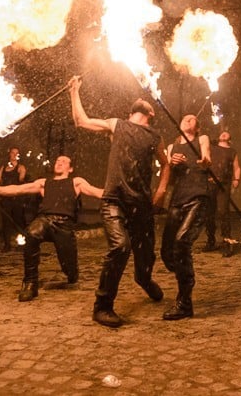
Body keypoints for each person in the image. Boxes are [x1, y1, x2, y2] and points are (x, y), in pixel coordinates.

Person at [68, 76, 171, 328]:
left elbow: (166, 165)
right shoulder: (117, 125)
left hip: (143, 204)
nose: (143, 100)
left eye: (147, 102)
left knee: (145, 255)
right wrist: (74, 92)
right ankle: (102, 306)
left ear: (152, 113)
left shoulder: (155, 136)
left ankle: (144, 279)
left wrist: (160, 192)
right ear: (132, 111)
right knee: (120, 247)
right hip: (114, 200)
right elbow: (81, 121)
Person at [0, 155, 104, 301]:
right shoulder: (43, 183)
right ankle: (30, 283)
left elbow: (97, 192)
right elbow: (17, 189)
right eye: (57, 160)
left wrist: (124, 193)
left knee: (69, 267)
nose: (59, 163)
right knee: (31, 233)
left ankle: (72, 274)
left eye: (64, 162)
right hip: (44, 220)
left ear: (70, 169)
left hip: (64, 224)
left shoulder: (76, 182)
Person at [153, 114, 211, 320]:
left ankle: (184, 302)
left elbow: (206, 158)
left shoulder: (201, 140)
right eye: (185, 118)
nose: (188, 120)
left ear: (197, 127)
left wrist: (204, 161)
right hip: (177, 200)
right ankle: (183, 273)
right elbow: (166, 169)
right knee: (168, 253)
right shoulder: (171, 146)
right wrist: (170, 162)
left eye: (193, 119)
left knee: (182, 243)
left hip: (198, 197)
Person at [205, 130, 241, 257]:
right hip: (210, 183)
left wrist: (236, 179)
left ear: (230, 138)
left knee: (222, 212)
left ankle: (226, 241)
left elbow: (236, 167)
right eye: (222, 133)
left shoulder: (232, 152)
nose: (224, 133)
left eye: (227, 133)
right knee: (208, 213)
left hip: (223, 185)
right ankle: (210, 241)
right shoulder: (212, 148)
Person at [0, 146, 27, 252]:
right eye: (12, 152)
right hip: (5, 199)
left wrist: (23, 180)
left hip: (17, 198)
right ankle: (7, 245)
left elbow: (22, 179)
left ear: (18, 156)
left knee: (18, 221)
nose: (14, 155)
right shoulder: (3, 168)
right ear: (10, 154)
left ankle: (21, 244)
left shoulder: (21, 167)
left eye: (16, 153)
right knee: (6, 221)